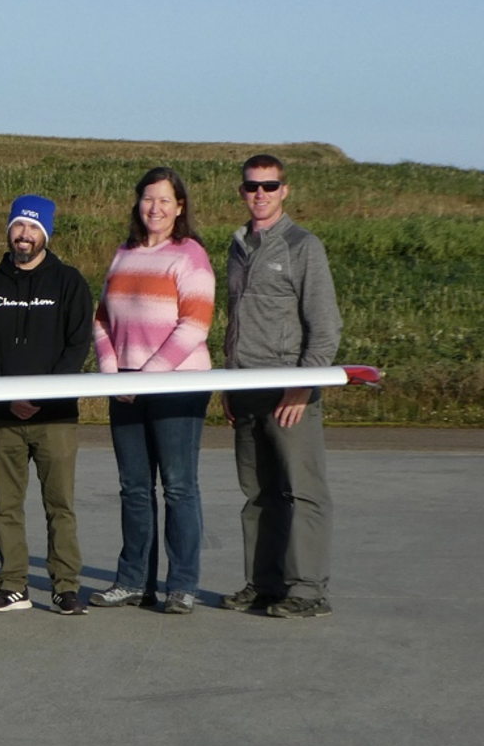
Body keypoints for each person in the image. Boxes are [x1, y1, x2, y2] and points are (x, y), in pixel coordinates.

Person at [89, 167, 216, 615]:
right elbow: (101, 318)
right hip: (125, 386)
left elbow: (195, 324)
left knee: (179, 487)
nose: (155, 208)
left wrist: (147, 376)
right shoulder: (124, 254)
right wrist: (112, 370)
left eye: (164, 200)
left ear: (179, 206)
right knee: (134, 488)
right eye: (148, 199)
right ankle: (133, 581)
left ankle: (181, 585)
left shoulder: (190, 255)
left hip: (177, 386)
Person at [222, 154, 343, 618]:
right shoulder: (236, 246)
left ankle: (308, 589)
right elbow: (235, 323)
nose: (260, 194)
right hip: (245, 387)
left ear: (284, 190)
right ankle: (265, 583)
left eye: (269, 186)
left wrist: (302, 388)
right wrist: (229, 383)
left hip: (289, 392)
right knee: (258, 493)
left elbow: (326, 327)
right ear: (242, 190)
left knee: (303, 491)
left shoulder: (302, 246)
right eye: (252, 186)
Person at [0, 195, 94, 615]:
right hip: (1, 418)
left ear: (46, 234)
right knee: (7, 507)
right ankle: (13, 585)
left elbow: (77, 347)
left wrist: (40, 397)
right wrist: (8, 398)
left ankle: (65, 586)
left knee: (60, 506)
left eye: (34, 228)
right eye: (19, 226)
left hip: (55, 417)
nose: (25, 234)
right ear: (9, 231)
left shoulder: (70, 283)